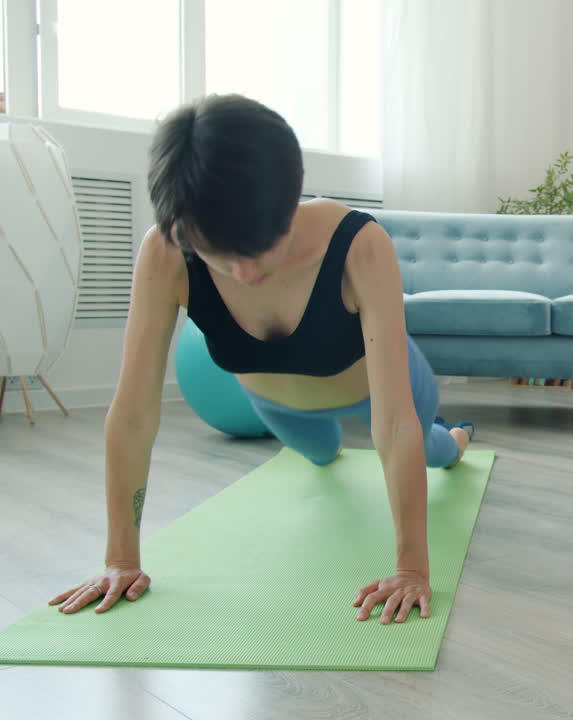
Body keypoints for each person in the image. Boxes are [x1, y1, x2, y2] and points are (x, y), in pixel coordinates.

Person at [49, 94, 472, 625]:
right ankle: (329, 442)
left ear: (291, 202)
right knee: (321, 456)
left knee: (431, 449)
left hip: (379, 391)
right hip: (278, 408)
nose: (244, 274)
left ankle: (456, 439)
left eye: (260, 252)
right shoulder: (164, 256)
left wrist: (411, 569)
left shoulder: (360, 245)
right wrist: (120, 560)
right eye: (220, 259)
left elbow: (392, 423)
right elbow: (133, 414)